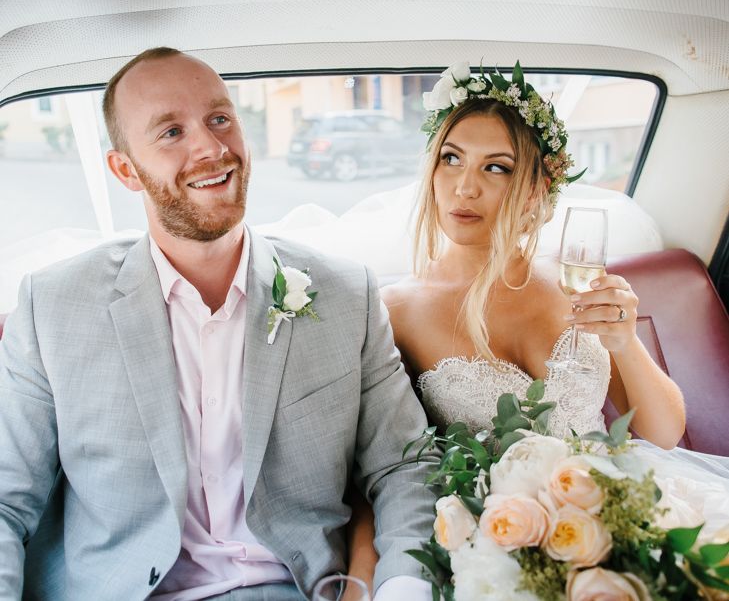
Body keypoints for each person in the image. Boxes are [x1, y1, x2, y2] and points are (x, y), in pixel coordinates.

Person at [0, 47, 438, 600]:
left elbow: (406, 468)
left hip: (298, 590)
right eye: (170, 132)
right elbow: (4, 500)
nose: (210, 147)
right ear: (125, 170)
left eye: (220, 119)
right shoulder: (52, 308)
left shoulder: (348, 294)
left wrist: (401, 590)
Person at [347, 61, 729, 587]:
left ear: (535, 189)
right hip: (510, 541)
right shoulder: (395, 311)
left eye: (496, 167)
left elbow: (663, 433)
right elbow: (384, 472)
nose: (464, 187)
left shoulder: (575, 284)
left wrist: (624, 344)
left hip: (626, 500)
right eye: (452, 159)